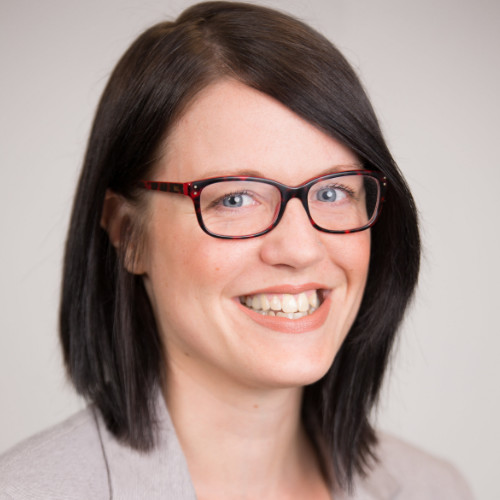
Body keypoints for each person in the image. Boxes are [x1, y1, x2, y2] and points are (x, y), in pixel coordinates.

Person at [0, 2, 474, 499]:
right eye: (235, 197)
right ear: (127, 233)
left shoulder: (436, 489)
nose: (300, 248)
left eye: (333, 191)